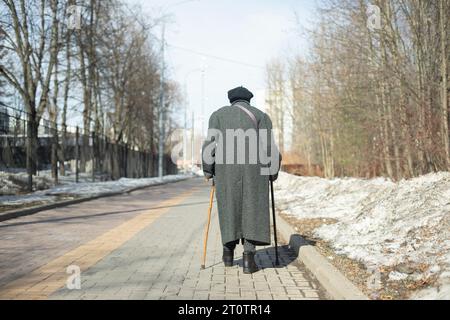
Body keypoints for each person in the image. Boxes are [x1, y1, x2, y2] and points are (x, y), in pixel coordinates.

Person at [202, 86, 281, 274]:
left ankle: (228, 254)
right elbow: (269, 147)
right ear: (249, 100)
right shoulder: (261, 116)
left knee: (228, 209)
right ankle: (249, 258)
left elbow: (209, 146)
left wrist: (208, 171)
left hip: (225, 172)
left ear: (231, 100)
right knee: (252, 211)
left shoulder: (218, 116)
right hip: (255, 172)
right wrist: (273, 172)